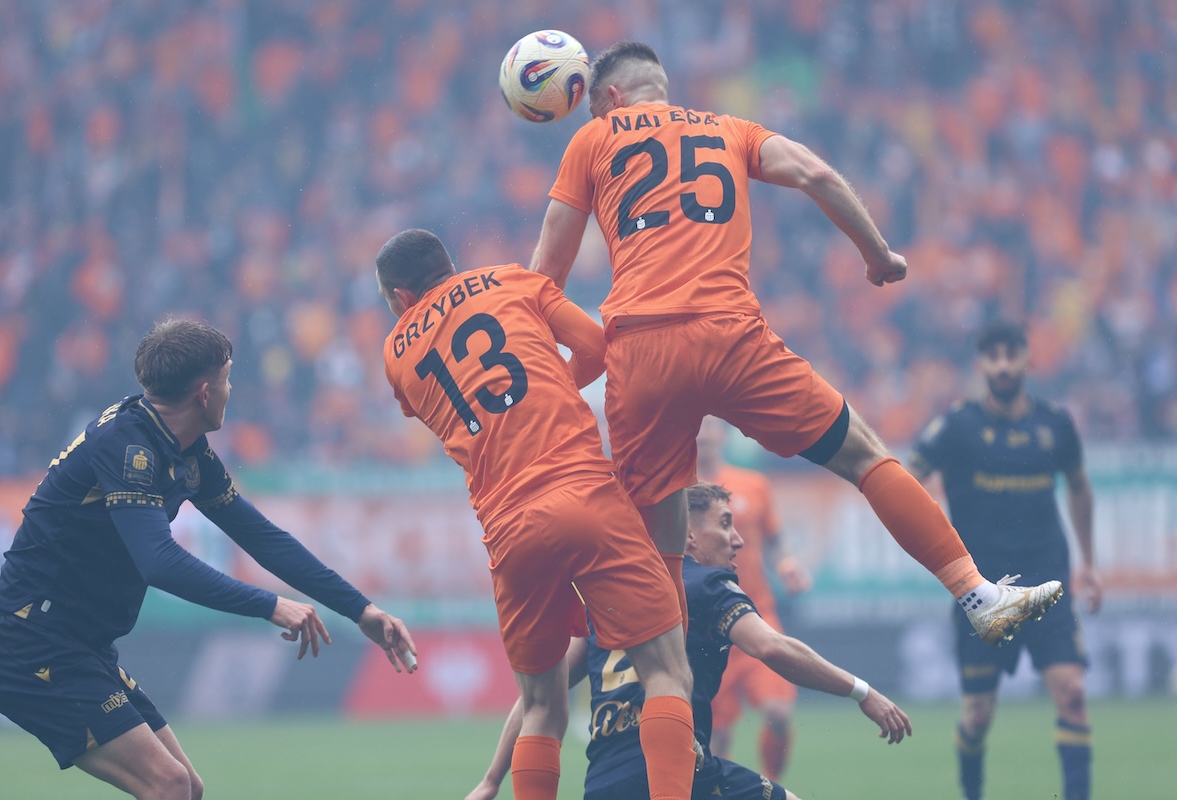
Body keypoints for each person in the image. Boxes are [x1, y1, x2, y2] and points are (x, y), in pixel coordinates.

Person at [529, 40, 1062, 646]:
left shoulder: (593, 139)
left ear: (612, 98)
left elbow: (548, 269)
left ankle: (662, 665)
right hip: (732, 339)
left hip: (642, 349)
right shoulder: (730, 130)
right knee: (864, 456)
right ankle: (977, 594)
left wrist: (540, 361)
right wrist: (877, 254)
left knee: (657, 534)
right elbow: (817, 174)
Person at [0, 318, 416, 800]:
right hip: (30, 646)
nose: (231, 390)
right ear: (204, 394)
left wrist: (360, 609)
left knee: (188, 788)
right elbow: (159, 561)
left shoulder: (182, 449)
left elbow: (261, 537)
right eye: (227, 379)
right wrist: (269, 605)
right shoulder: (127, 446)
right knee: (169, 785)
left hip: (79, 645)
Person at [376, 228, 695, 800]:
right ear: (450, 264)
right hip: (583, 494)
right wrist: (556, 386)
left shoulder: (395, 353)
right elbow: (595, 345)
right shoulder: (511, 280)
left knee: (542, 707)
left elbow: (448, 407)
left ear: (401, 298)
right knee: (666, 671)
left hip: (508, 529)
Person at [465, 481, 911, 800]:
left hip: (603, 784)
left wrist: (491, 780)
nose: (738, 540)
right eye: (726, 524)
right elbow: (771, 647)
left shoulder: (607, 598)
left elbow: (539, 698)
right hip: (677, 771)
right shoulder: (705, 584)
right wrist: (862, 692)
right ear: (689, 534)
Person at [907, 319, 1100, 800]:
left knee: (1073, 694)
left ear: (1027, 360)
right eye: (993, 357)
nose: (1003, 366)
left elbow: (1079, 487)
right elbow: (907, 476)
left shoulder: (1055, 424)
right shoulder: (957, 426)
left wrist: (1090, 563)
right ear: (980, 365)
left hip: (1048, 580)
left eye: (1011, 355)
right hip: (980, 588)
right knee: (977, 716)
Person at [696, 417, 811, 782]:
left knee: (778, 711)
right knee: (716, 736)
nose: (702, 434)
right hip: (709, 626)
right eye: (696, 425)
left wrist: (787, 563)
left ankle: (771, 782)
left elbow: (775, 539)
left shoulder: (753, 484)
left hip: (756, 615)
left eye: (709, 425)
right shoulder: (678, 491)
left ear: (723, 433)